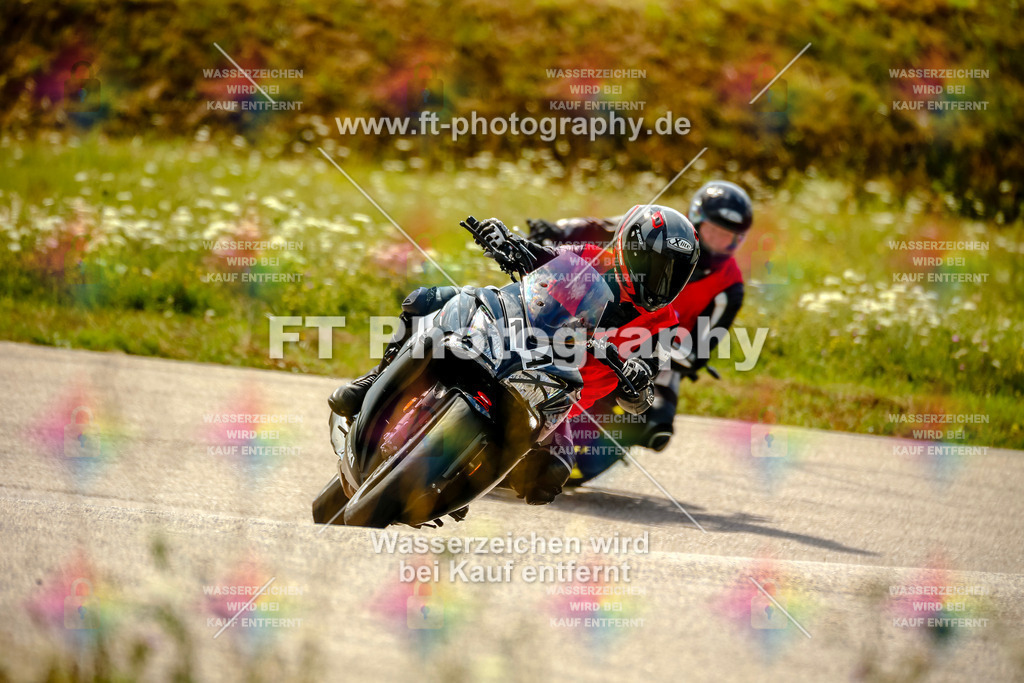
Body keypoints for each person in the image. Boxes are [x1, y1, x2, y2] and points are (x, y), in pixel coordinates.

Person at [329, 204, 700, 503]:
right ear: (626, 251)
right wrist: (506, 241)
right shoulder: (592, 261)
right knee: (428, 300)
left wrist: (637, 383)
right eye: (653, 266)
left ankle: (458, 482)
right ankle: (373, 381)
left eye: (674, 273)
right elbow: (546, 257)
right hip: (519, 346)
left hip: (556, 399)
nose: (660, 281)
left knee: (548, 480)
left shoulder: (665, 325)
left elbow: (641, 399)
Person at [526, 181, 753, 454]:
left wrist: (650, 354)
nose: (716, 243)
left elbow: (700, 349)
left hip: (662, 351)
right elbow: (599, 226)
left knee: (657, 425)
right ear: (697, 218)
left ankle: (593, 449)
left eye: (725, 238)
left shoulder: (731, 285)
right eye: (712, 231)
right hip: (604, 321)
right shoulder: (658, 228)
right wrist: (556, 231)